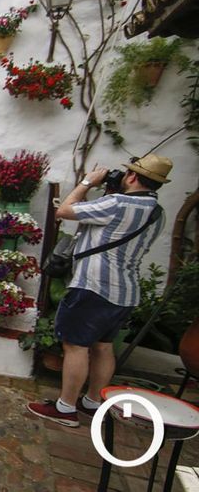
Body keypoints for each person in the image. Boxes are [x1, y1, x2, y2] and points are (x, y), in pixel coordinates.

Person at [27, 154, 172, 427]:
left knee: (76, 346)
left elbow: (64, 211)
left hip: (94, 287)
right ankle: (93, 402)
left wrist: (86, 182)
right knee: (103, 347)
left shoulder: (117, 202)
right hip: (126, 292)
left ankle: (66, 408)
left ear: (131, 176)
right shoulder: (157, 212)